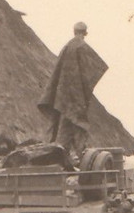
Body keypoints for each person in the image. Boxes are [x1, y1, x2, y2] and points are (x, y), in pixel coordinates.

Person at [37, 21, 109, 163]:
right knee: (78, 127)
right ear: (85, 33)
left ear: (74, 31)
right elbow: (95, 68)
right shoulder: (82, 46)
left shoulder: (66, 47)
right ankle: (81, 160)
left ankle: (61, 160)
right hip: (76, 98)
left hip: (62, 98)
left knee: (64, 130)